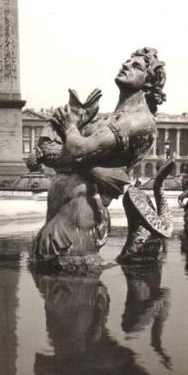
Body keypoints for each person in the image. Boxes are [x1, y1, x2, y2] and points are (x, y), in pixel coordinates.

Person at [32, 47, 166, 263]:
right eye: (127, 61)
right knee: (58, 286)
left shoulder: (138, 120)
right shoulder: (114, 117)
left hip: (80, 215)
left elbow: (79, 150)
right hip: (66, 211)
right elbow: (61, 149)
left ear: (148, 82)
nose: (126, 65)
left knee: (72, 290)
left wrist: (71, 126)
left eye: (136, 66)